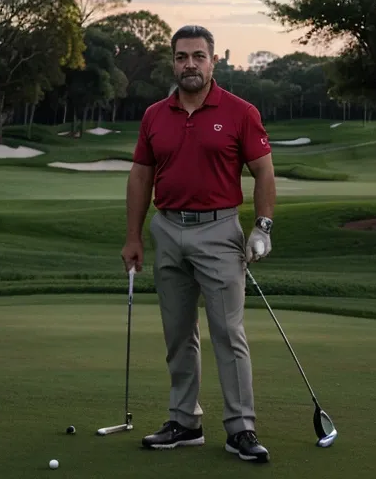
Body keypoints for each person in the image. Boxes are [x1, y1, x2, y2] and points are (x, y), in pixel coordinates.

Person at [121, 25, 276, 464]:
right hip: (167, 228)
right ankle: (185, 422)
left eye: (198, 56)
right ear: (173, 62)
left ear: (213, 61)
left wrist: (262, 227)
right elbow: (140, 175)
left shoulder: (240, 111)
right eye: (181, 57)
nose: (190, 64)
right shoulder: (155, 115)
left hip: (219, 230)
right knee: (178, 333)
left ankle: (240, 428)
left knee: (228, 333)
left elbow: (263, 171)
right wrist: (134, 236)